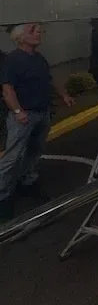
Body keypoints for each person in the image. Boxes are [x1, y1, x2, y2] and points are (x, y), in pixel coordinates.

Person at [0, 23, 75, 220]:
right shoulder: (13, 60)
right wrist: (17, 111)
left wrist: (64, 95)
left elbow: (50, 79)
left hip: (42, 113)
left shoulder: (39, 58)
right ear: (20, 37)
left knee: (35, 151)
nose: (39, 33)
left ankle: (27, 183)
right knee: (12, 157)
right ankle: (3, 197)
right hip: (23, 116)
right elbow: (7, 90)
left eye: (39, 30)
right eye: (32, 30)